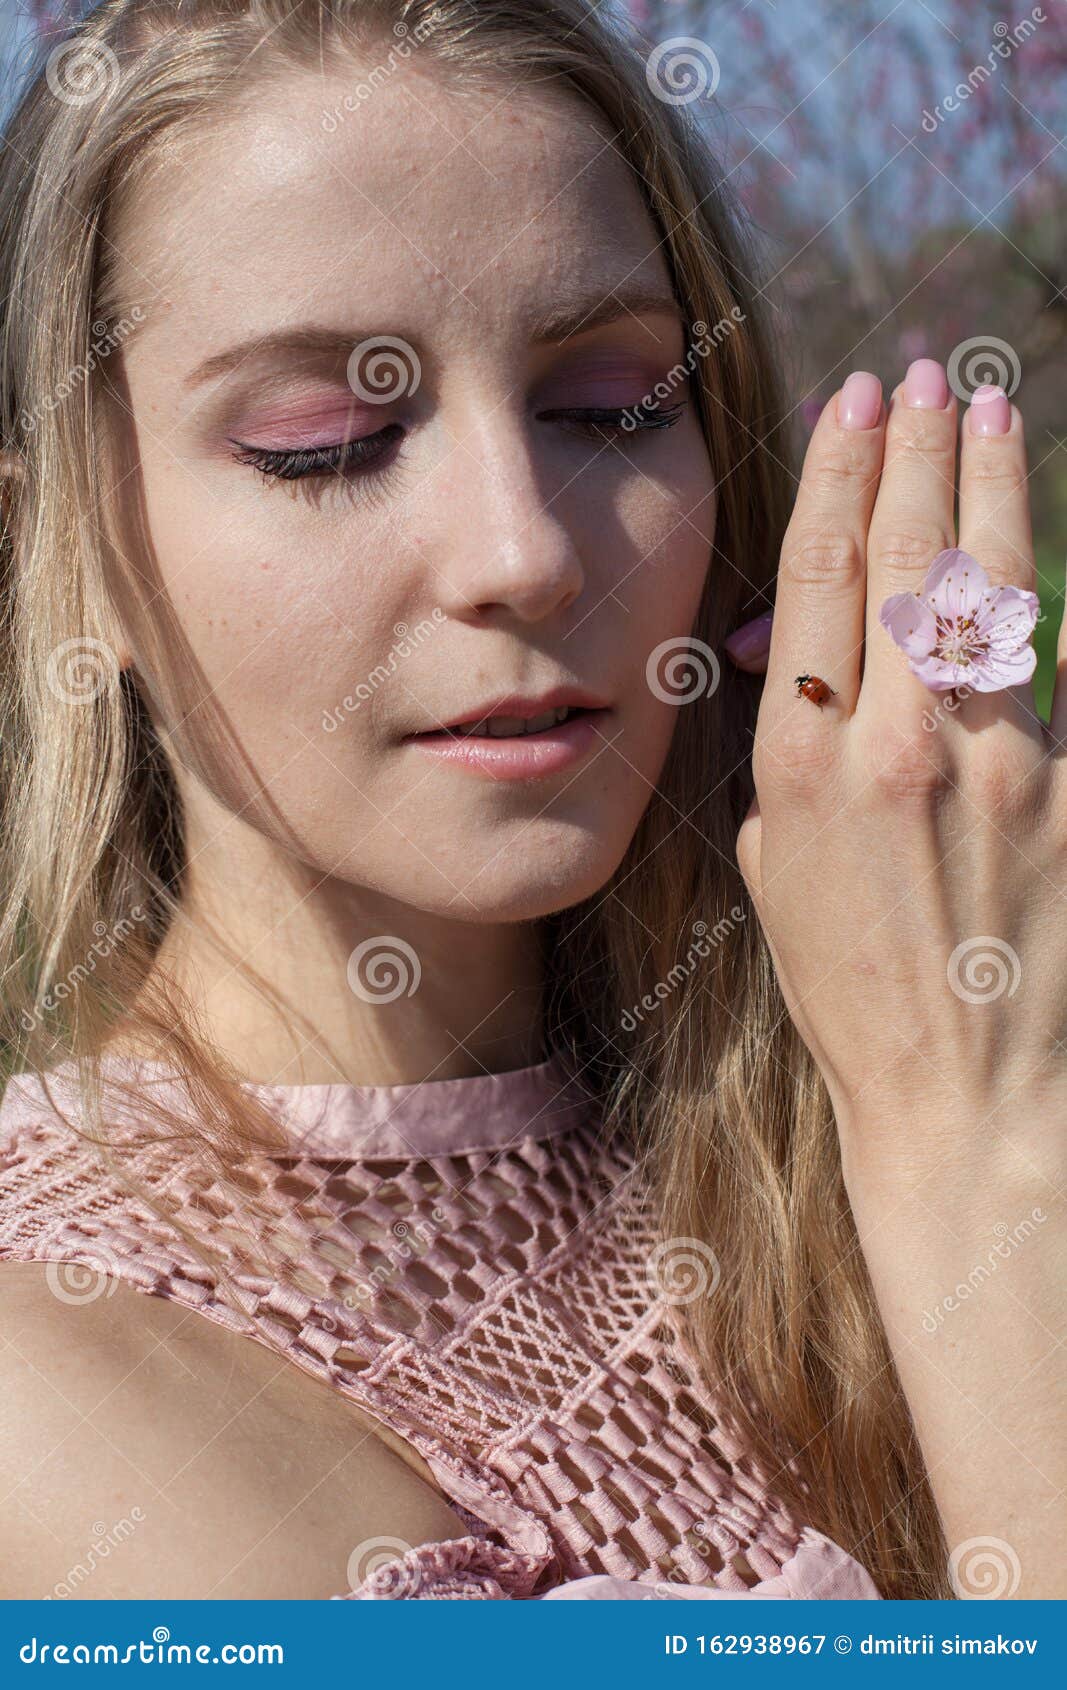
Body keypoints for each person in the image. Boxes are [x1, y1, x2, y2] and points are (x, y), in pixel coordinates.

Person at [0, 0, 1061, 1603]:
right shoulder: (55, 1361)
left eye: (612, 407)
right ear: (51, 559)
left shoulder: (817, 1106)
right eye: (329, 442)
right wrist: (972, 1135)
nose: (527, 550)